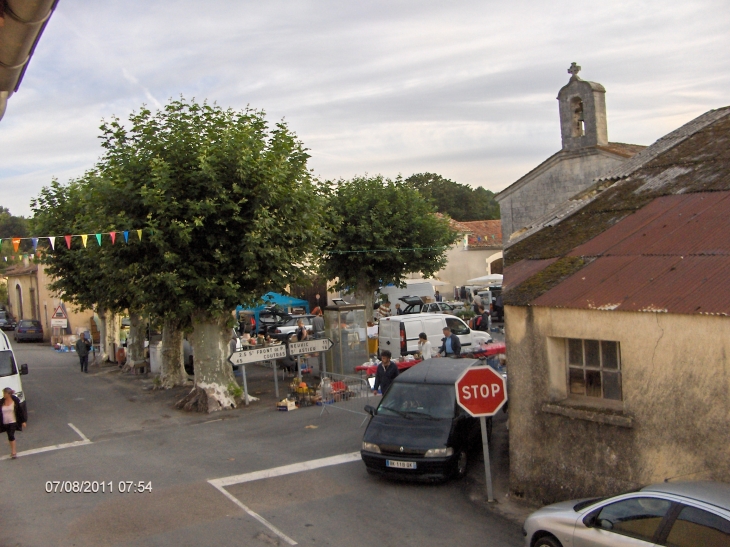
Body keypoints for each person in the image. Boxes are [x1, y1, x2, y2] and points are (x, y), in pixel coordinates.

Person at [1, 387, 27, 459]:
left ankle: (13, 452)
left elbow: (20, 411)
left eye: (4, 393)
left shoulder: (15, 401)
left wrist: (23, 421)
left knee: (11, 435)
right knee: (9, 436)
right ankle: (12, 450)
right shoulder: (2, 402)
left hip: (13, 421)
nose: (3, 395)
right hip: (5, 422)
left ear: (8, 394)